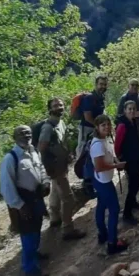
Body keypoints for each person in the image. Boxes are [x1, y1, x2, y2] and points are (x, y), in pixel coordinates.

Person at [0, 125, 51, 276]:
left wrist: (46, 182)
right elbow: (6, 186)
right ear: (14, 137)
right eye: (21, 133)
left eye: (28, 133)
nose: (26, 135)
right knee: (28, 234)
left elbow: (41, 168)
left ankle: (35, 253)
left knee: (37, 228)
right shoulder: (11, 158)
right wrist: (19, 206)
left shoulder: (33, 151)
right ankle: (31, 268)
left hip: (37, 196)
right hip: (24, 201)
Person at [37, 98, 86, 241]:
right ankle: (68, 229)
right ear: (50, 109)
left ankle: (55, 218)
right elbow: (41, 147)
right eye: (55, 105)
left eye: (61, 105)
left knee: (55, 191)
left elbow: (61, 142)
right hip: (55, 168)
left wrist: (67, 154)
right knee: (68, 198)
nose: (59, 107)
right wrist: (50, 164)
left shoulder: (61, 123)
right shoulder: (48, 127)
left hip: (61, 165)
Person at [89, 114, 130, 255]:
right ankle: (112, 243)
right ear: (97, 127)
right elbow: (99, 167)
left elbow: (110, 156)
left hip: (101, 180)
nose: (106, 127)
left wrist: (115, 162)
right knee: (114, 209)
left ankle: (103, 234)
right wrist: (116, 165)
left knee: (101, 205)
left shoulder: (103, 140)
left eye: (108, 124)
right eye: (103, 125)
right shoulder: (97, 145)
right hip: (103, 181)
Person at [115, 101, 139, 225]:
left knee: (136, 183)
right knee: (134, 184)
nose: (132, 111)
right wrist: (119, 160)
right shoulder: (122, 125)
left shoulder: (132, 122)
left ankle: (133, 203)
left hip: (134, 157)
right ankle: (127, 213)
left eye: (133, 109)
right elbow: (117, 145)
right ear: (125, 110)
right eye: (129, 109)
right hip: (128, 159)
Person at [79, 75, 108, 197]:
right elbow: (87, 117)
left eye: (104, 84)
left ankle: (93, 181)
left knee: (95, 155)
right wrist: (99, 127)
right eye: (101, 84)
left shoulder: (100, 97)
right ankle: (87, 185)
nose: (102, 86)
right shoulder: (89, 98)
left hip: (96, 129)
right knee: (86, 156)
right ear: (96, 84)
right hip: (87, 129)